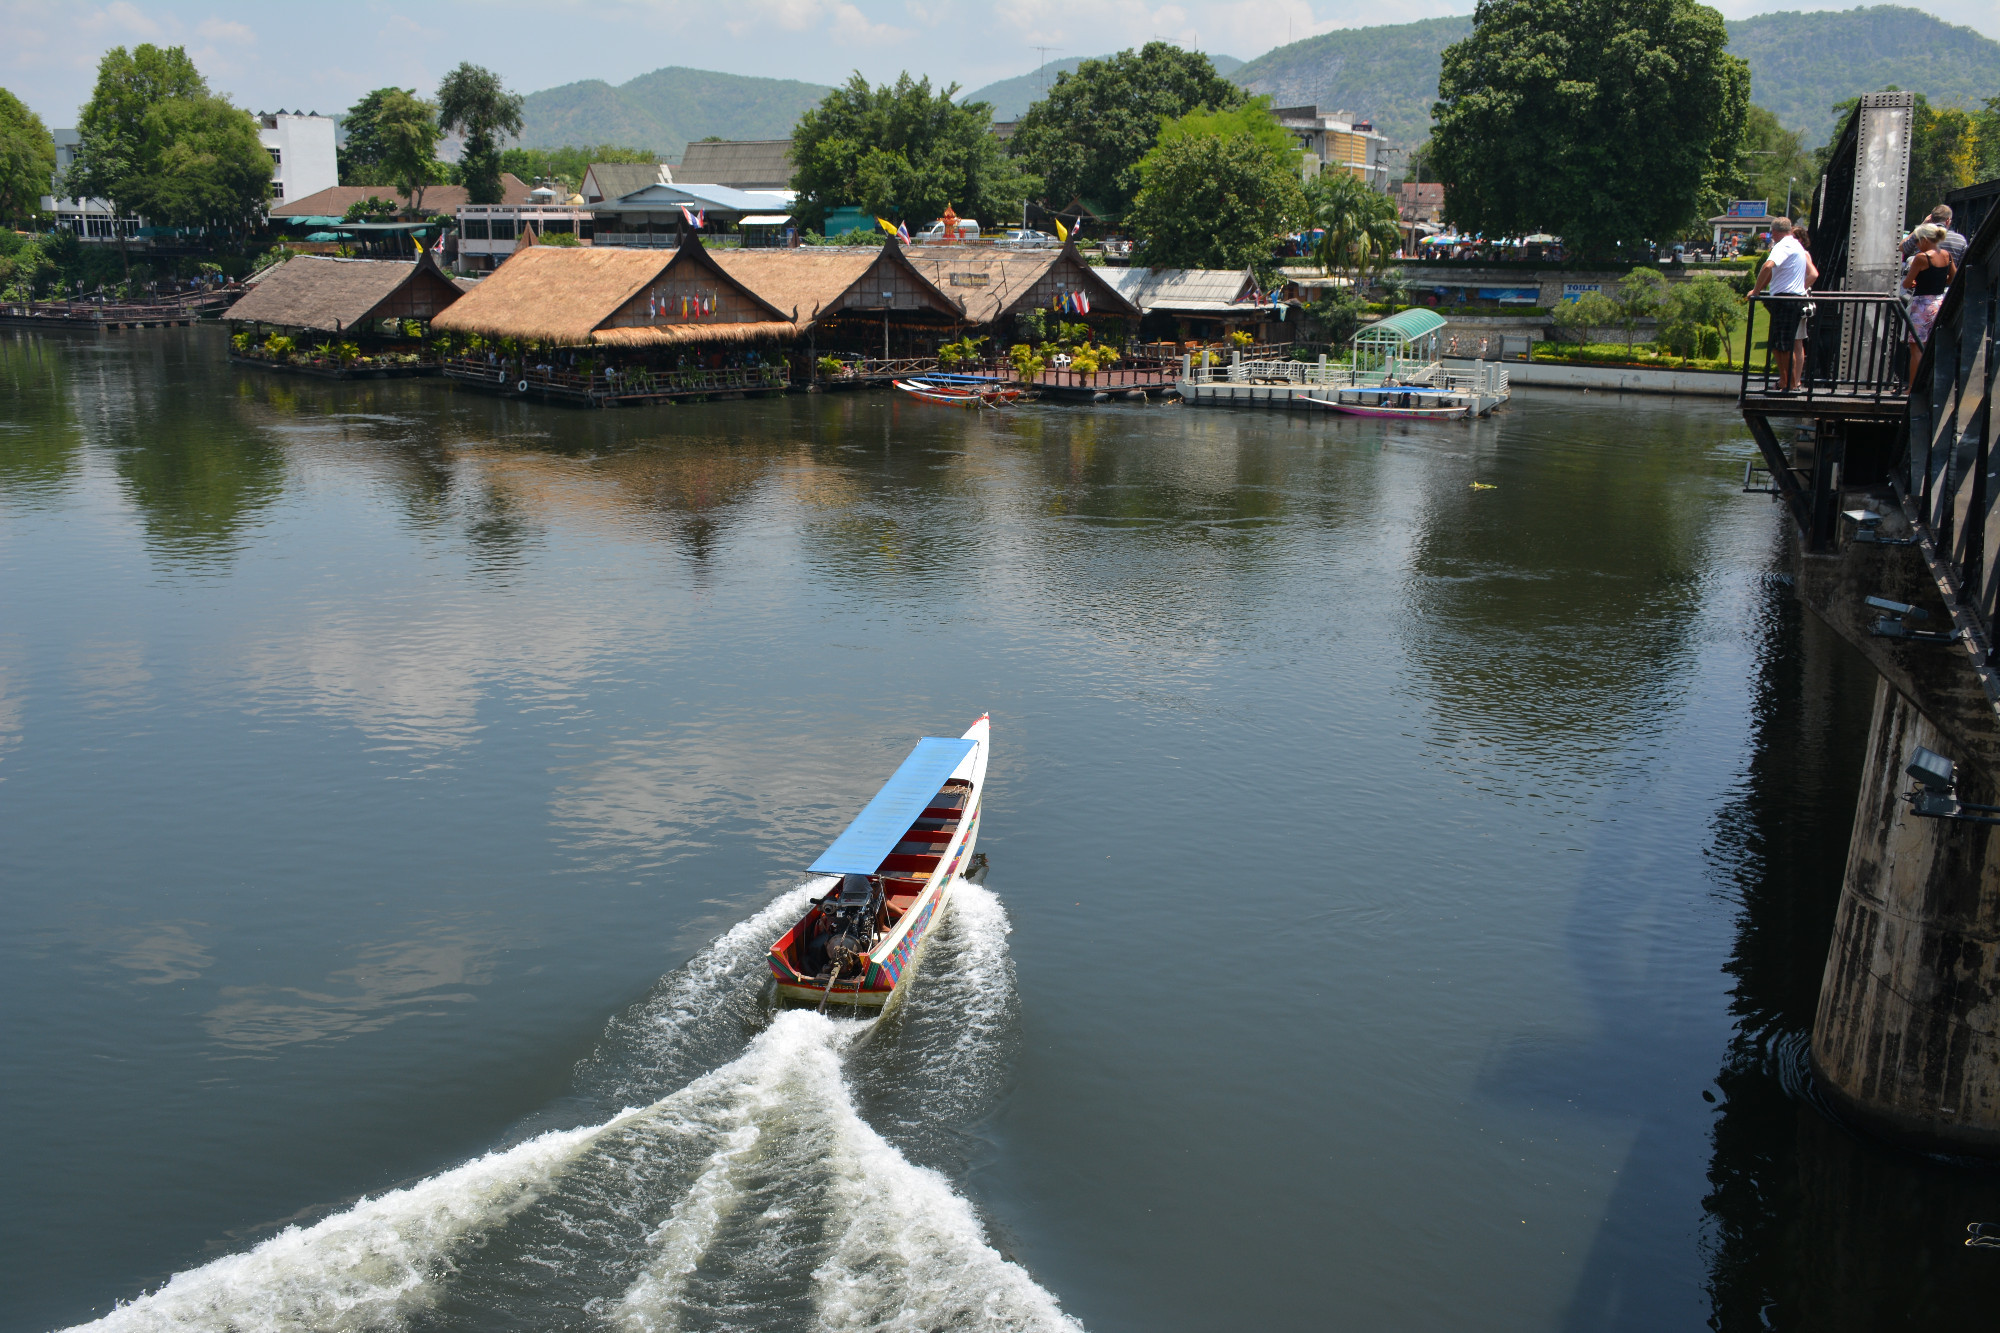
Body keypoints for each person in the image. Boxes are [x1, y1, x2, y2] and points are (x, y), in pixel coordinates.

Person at [1750, 217, 1818, 393]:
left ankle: (1792, 384)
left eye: (1772, 232)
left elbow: (1767, 266)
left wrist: (1756, 291)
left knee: (1785, 346)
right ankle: (1786, 381)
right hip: (1788, 298)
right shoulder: (1796, 245)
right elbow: (1775, 272)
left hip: (1786, 299)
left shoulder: (1784, 246)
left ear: (1774, 232)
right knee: (1777, 345)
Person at [1904, 222, 1956, 385]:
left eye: (1918, 241)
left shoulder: (1921, 258)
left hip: (1922, 305)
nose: (1917, 245)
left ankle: (1912, 387)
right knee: (1930, 346)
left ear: (1926, 239)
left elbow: (1907, 283)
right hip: (1939, 302)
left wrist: (1915, 283)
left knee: (1916, 348)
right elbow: (1952, 277)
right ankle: (1931, 385)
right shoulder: (1947, 255)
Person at [1902, 205, 1967, 268]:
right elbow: (1962, 265)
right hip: (1947, 278)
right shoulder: (1961, 240)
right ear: (1948, 221)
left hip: (1920, 277)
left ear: (1930, 218)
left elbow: (1902, 248)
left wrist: (1923, 224)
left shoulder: (1921, 234)